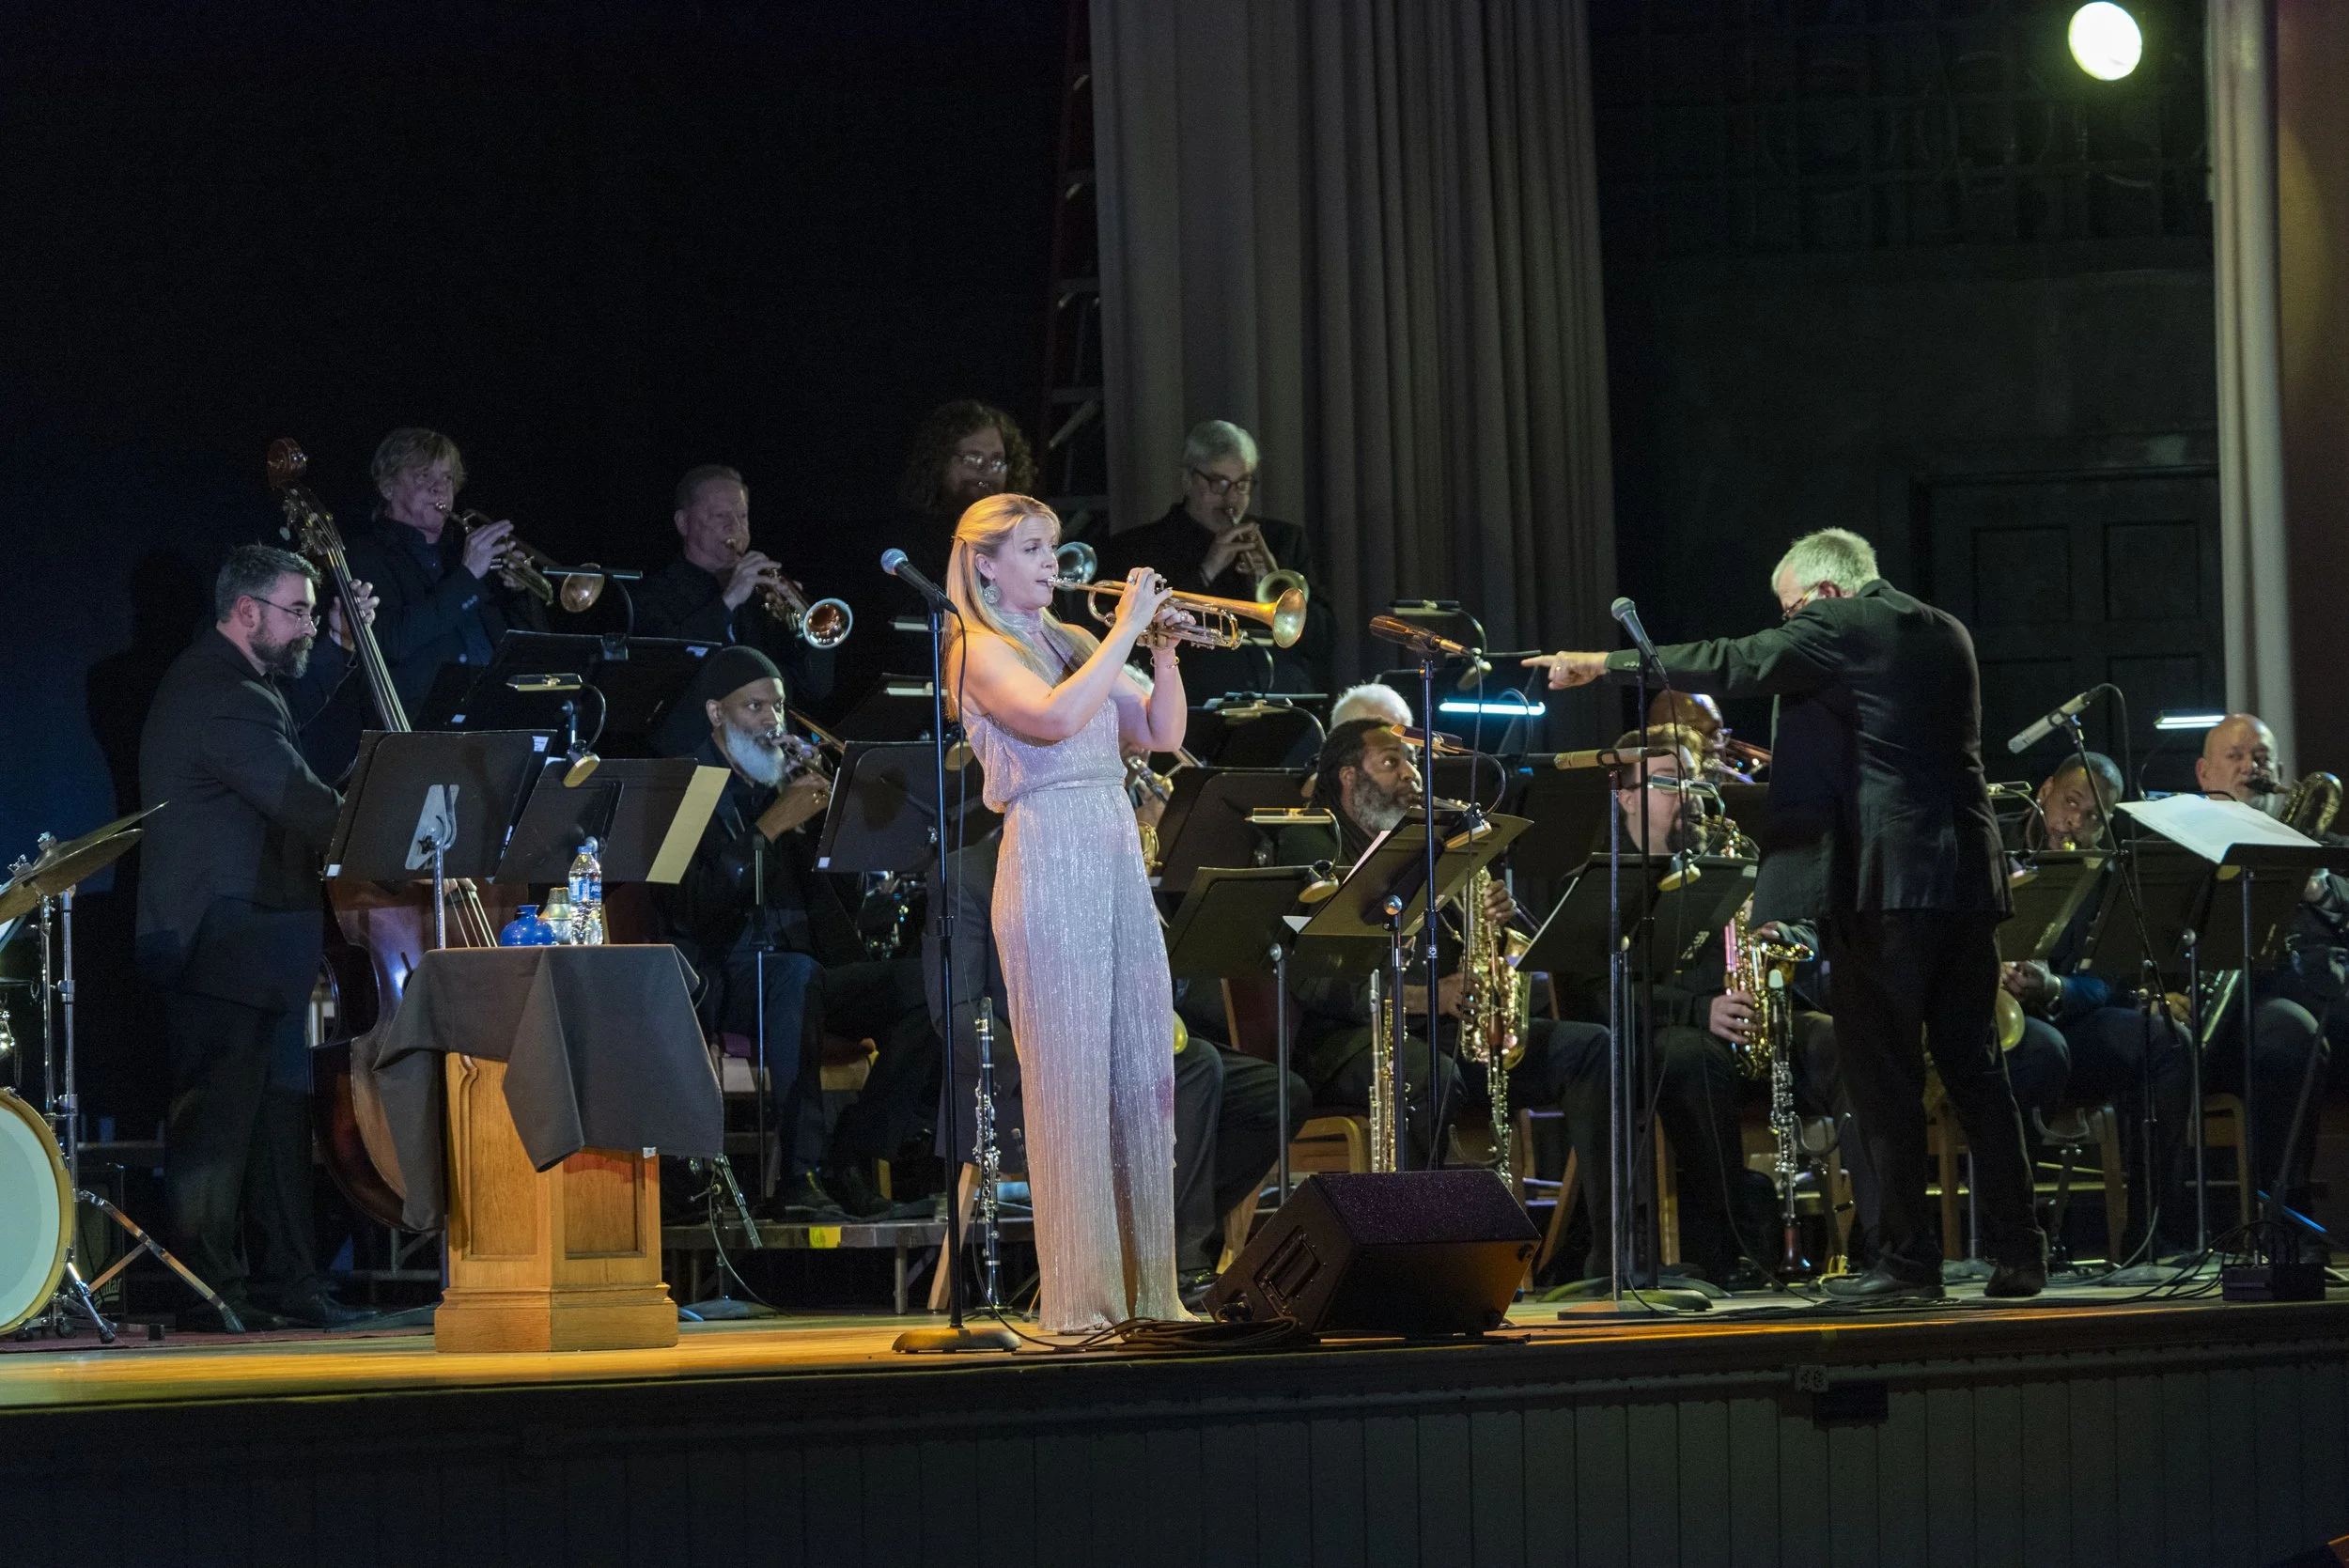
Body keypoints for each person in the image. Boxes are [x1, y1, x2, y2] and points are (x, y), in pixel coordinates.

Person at [1531, 526, 2048, 1300]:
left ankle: (1908, 1264)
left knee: (1882, 1076)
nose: (1788, 627)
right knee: (1976, 1070)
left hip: (1882, 883)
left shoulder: (1840, 622)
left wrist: (1604, 663)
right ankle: (2021, 1251)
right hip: (1966, 880)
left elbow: (1737, 660)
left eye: (1791, 610)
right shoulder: (1945, 630)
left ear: (1827, 591)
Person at [942, 491, 1190, 1330]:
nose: (1052, 562)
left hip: (1113, 846)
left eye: (1052, 546)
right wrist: (1127, 627)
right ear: (985, 564)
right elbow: (1051, 719)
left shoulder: (1074, 640)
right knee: (1071, 1083)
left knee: (1140, 1070)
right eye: (1032, 548)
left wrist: (1163, 654)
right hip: (1049, 852)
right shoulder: (976, 648)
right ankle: (1084, 1302)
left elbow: (1158, 732)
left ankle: (1151, 1293)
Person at [136, 543, 378, 1330]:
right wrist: (395, 826)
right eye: (298, 610)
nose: (308, 623)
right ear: (247, 611)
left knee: (276, 1121)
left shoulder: (242, 686)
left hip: (257, 937)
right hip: (222, 937)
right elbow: (302, 801)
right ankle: (209, 1292)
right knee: (215, 1127)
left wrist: (338, 648)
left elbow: (296, 731)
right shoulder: (221, 691)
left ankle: (288, 1282)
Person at [926, 826, 1310, 1308]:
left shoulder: (1099, 855)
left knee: (1275, 1095)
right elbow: (956, 1010)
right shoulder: (969, 873)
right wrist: (1041, 1071)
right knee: (1195, 1070)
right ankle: (1175, 1264)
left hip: (1119, 1050)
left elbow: (1166, 979)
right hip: (1028, 1072)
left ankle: (1159, 1241)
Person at [654, 645, 934, 1220]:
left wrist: (835, 827)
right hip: (723, 978)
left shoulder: (782, 781)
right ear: (715, 713)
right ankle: (797, 1177)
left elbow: (843, 909)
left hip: (806, 975)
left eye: (777, 706)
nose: (771, 720)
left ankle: (853, 1154)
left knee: (930, 987)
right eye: (754, 706)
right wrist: (769, 827)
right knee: (795, 977)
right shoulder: (685, 786)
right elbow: (690, 907)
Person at [1997, 751, 2190, 1257]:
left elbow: (2106, 980)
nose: (2074, 824)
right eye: (2070, 803)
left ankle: (2152, 1240)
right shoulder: (1988, 843)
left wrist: (2054, 987)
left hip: (2064, 1016)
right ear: (2045, 791)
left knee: (2168, 1041)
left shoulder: (2106, 871)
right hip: (1991, 1024)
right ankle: (2012, 1237)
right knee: (2044, 1052)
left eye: (2093, 818)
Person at [304, 427, 546, 777]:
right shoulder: (364, 556)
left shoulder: (463, 553)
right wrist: (467, 576)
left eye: (447, 478)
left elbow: (532, 646)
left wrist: (519, 593)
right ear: (388, 487)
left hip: (500, 727)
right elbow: (390, 642)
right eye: (423, 476)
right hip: (421, 737)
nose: (439, 488)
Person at [2188, 713, 2341, 1211]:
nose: (2250, 767)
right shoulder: (2182, 845)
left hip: (2324, 993)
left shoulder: (2318, 844)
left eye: (2261, 758)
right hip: (2237, 1008)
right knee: (2290, 1034)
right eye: (2234, 756)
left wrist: (2317, 885)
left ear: (2278, 773)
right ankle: (2281, 1212)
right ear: (2204, 773)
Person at [1095, 420, 1330, 698]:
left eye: (1242, 484)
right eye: (1219, 484)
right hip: (1190, 701)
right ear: (1188, 480)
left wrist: (1275, 581)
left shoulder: (1284, 541)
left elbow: (1324, 638)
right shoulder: (1138, 547)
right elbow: (1135, 640)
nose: (1231, 498)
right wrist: (1208, 570)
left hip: (1284, 698)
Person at [635, 464, 837, 720]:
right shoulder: (652, 594)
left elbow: (817, 688)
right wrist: (727, 602)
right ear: (683, 522)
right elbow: (662, 675)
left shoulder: (764, 598)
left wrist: (803, 627)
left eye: (742, 516)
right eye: (721, 516)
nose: (735, 527)